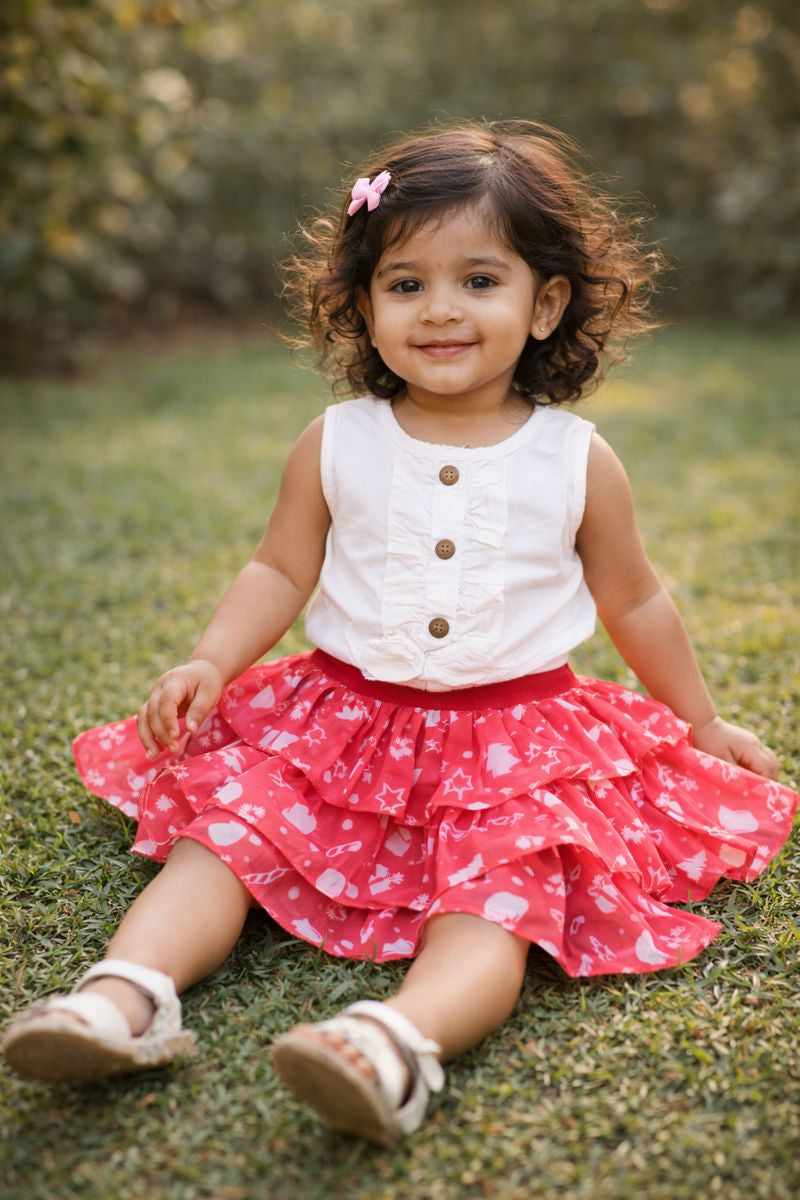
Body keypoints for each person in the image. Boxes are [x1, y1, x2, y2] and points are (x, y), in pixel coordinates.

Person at [3, 120, 797, 1147]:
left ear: (543, 302)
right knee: (225, 840)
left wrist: (699, 721)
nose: (439, 311)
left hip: (513, 745)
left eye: (478, 280)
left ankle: (393, 1043)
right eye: (405, 283)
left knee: (499, 900)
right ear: (364, 302)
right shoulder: (336, 440)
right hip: (337, 724)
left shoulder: (574, 458)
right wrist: (210, 657)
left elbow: (634, 599)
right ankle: (123, 994)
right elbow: (278, 568)